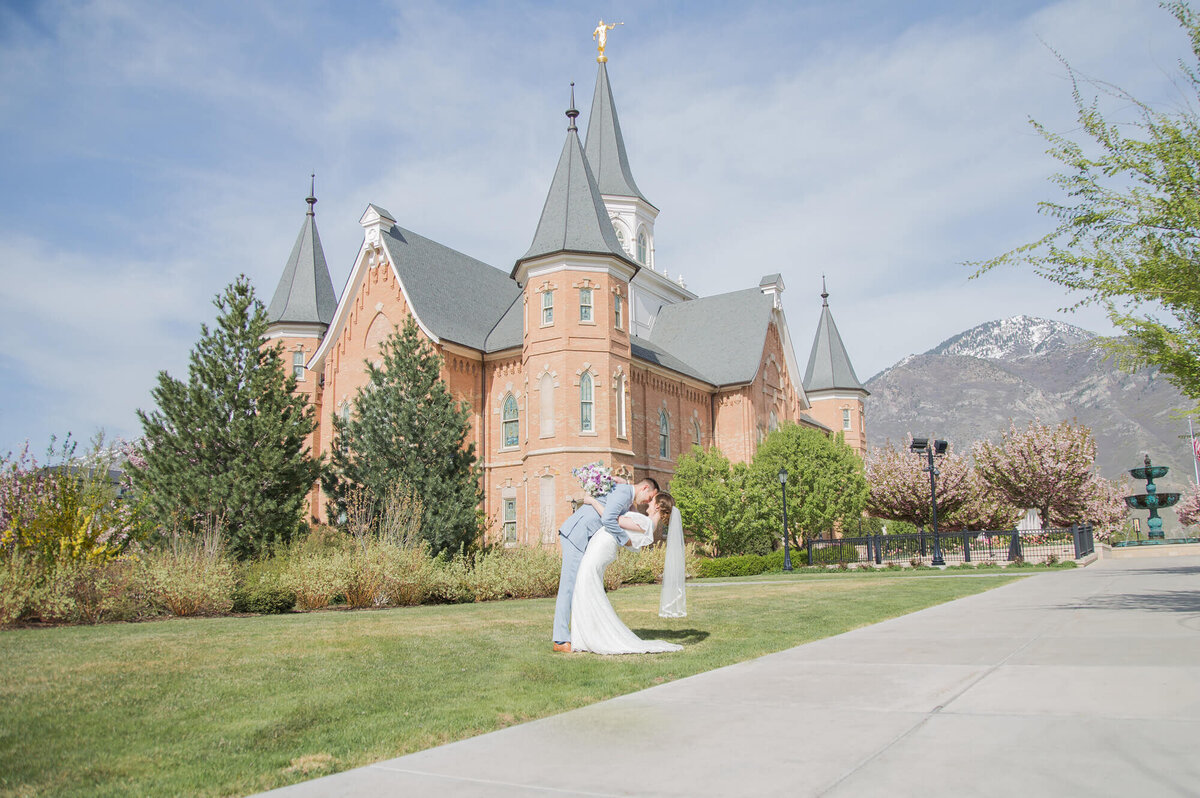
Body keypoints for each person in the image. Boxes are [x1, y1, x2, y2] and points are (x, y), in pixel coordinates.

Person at [553, 476, 658, 652]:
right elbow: (608, 519)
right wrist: (625, 541)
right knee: (568, 587)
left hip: (582, 536)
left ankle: (575, 634)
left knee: (577, 586)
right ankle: (560, 640)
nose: (647, 502)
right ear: (645, 488)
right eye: (650, 497)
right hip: (577, 535)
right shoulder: (625, 493)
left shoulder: (626, 494)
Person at [569, 492, 683, 655]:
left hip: (601, 548)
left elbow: (613, 520)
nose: (648, 503)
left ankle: (591, 637)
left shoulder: (647, 524)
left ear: (657, 506)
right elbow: (631, 513)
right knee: (586, 587)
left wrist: (592, 501)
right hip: (602, 546)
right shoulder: (648, 524)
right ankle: (584, 636)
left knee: (585, 586)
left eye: (652, 501)